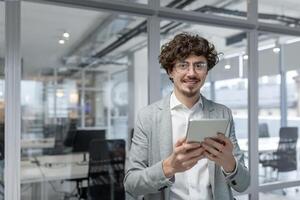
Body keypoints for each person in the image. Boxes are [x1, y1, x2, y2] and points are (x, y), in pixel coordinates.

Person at [124, 32, 250, 200]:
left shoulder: (222, 113)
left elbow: (243, 184)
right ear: (170, 71)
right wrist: (169, 167)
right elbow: (131, 184)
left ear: (206, 71)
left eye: (199, 65)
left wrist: (229, 163)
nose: (191, 73)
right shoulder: (148, 117)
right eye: (183, 65)